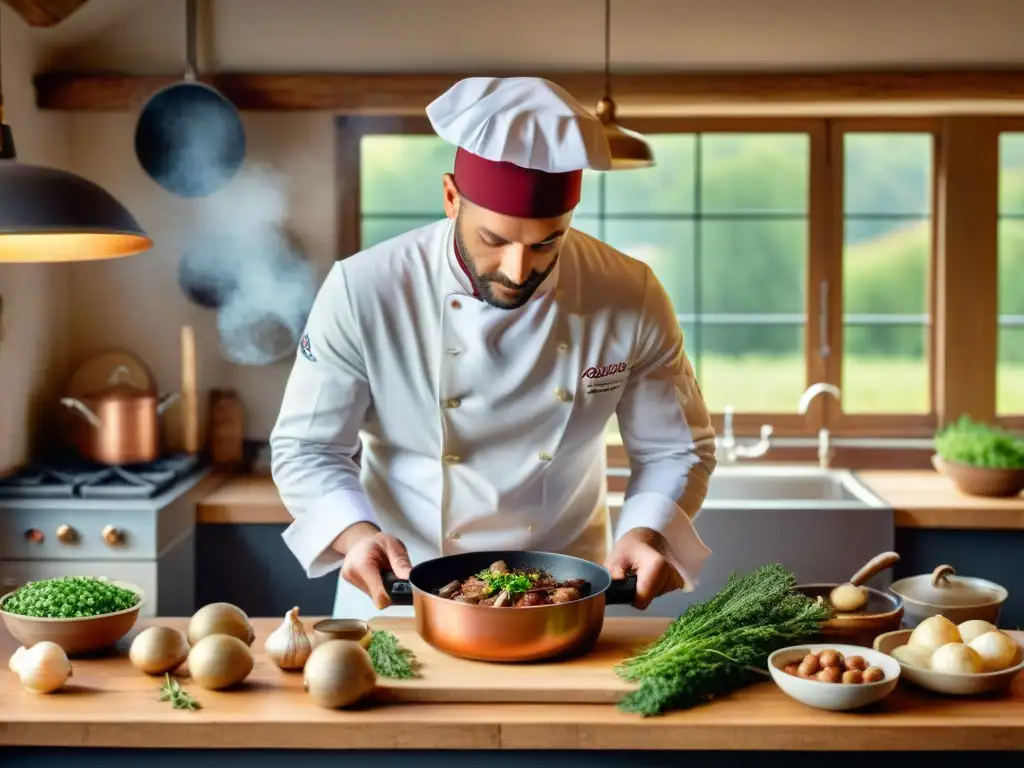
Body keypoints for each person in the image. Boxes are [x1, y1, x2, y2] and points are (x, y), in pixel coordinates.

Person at [270, 76, 717, 621]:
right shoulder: (365, 289)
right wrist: (354, 534)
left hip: (563, 595)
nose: (518, 269)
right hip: (401, 592)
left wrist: (645, 533)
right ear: (452, 198)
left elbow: (674, 449)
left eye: (547, 242)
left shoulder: (629, 292)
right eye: (495, 240)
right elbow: (307, 448)